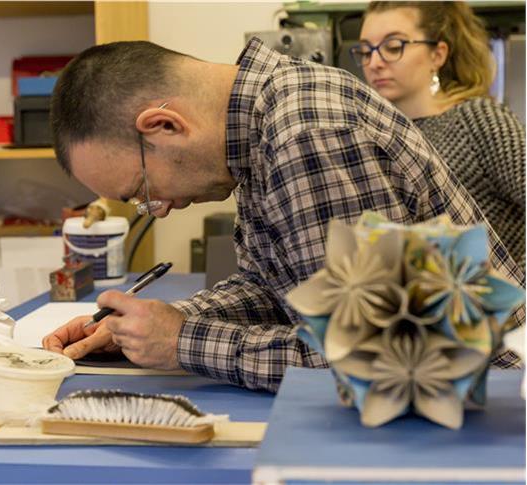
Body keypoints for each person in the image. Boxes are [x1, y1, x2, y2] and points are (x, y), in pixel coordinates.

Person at [44, 38, 524, 393]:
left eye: (143, 190)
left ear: (165, 125)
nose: (160, 209)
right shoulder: (264, 122)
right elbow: (279, 288)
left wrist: (185, 342)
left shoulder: (307, 133)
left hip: (486, 415)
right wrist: (152, 325)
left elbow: (382, 362)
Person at [356, 1, 525, 269]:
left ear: (438, 54)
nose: (375, 63)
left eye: (393, 47)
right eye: (365, 51)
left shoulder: (476, 120)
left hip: (489, 308)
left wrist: (515, 291)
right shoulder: (376, 136)